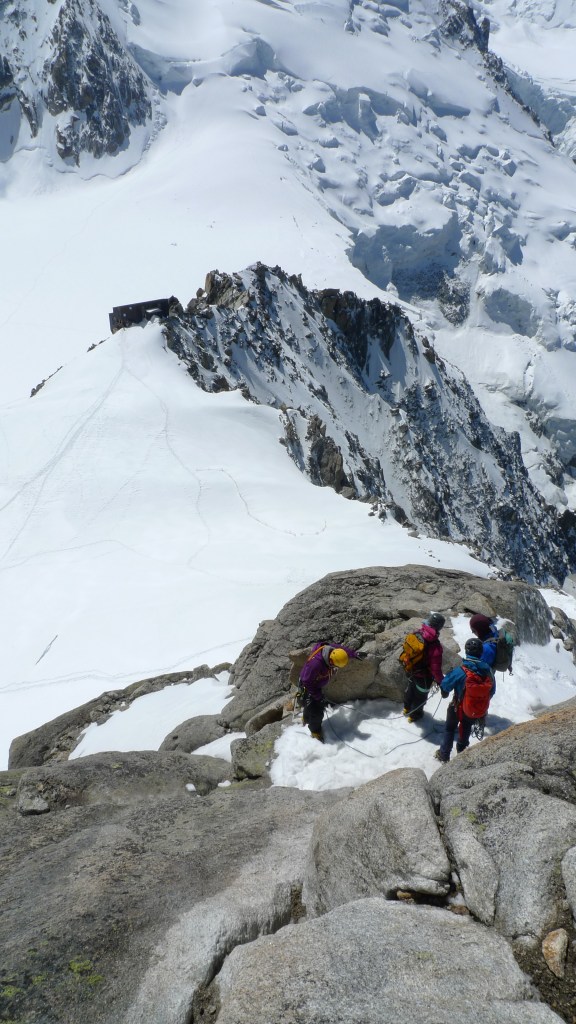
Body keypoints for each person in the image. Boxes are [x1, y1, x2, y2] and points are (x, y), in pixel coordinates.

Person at [434, 636, 495, 763]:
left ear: (466, 651)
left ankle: (444, 754)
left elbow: (445, 686)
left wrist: (445, 692)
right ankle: (462, 753)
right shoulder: (488, 671)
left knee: (450, 728)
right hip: (475, 708)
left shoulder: (460, 671)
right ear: (481, 652)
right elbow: (492, 690)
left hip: (457, 706)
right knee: (466, 726)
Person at [298, 642, 361, 741]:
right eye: (336, 665)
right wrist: (318, 696)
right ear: (331, 661)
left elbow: (341, 650)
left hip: (314, 683)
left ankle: (305, 719)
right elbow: (307, 682)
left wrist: (354, 654)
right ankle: (315, 732)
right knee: (317, 712)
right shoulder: (315, 664)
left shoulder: (332, 650)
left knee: (309, 705)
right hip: (309, 686)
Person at [402, 613, 445, 722]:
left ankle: (407, 708)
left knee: (411, 689)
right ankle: (415, 715)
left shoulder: (418, 633)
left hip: (411, 669)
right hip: (424, 676)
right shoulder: (434, 645)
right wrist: (442, 683)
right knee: (420, 697)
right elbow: (436, 669)